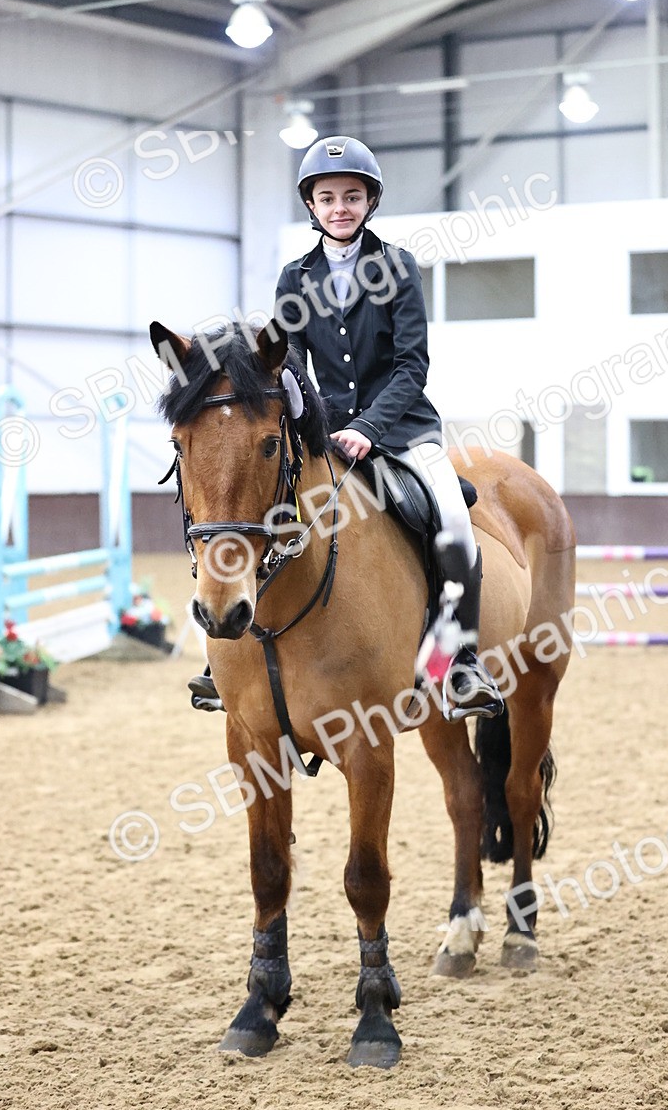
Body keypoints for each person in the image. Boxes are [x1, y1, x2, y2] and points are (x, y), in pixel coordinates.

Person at [190, 134, 502, 720]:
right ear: (311, 204)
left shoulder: (397, 267)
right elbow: (290, 363)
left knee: (454, 521)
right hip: (323, 430)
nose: (340, 207)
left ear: (370, 202)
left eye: (352, 196)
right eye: (328, 197)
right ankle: (224, 659)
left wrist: (370, 427)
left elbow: (413, 365)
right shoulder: (293, 277)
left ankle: (459, 662)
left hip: (403, 427)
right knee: (259, 506)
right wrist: (313, 422)